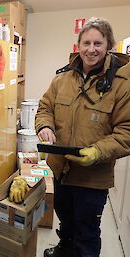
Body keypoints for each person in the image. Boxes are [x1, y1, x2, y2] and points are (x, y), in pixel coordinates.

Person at [35, 17, 130, 257]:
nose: (91, 49)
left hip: (92, 178)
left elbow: (126, 131)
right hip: (61, 171)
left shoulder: (122, 84)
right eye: (86, 42)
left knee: (86, 232)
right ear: (78, 45)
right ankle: (64, 250)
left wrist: (98, 152)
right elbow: (45, 108)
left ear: (108, 44)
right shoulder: (61, 79)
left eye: (98, 43)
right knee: (66, 222)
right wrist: (45, 127)